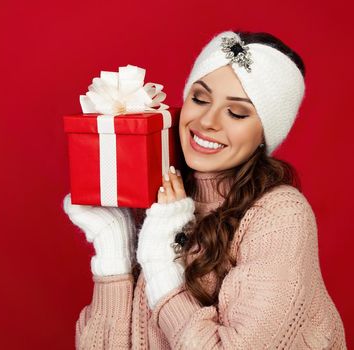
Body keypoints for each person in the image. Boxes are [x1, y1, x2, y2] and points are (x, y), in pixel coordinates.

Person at [63, 30, 347, 349]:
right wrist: (114, 246)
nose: (208, 120)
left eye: (237, 112)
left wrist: (160, 263)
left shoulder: (279, 217)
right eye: (200, 98)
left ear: (265, 133)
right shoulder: (160, 198)